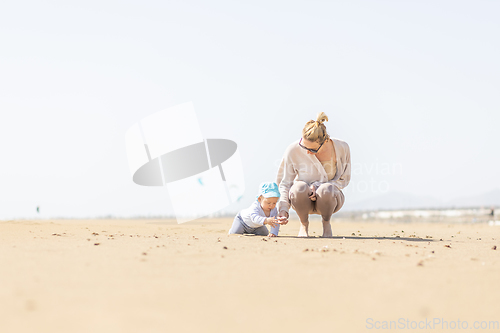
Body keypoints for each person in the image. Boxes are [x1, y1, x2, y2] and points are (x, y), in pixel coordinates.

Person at [275, 112, 351, 237]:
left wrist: (317, 186)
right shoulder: (293, 149)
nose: (308, 152)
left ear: (324, 140)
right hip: (302, 200)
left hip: (330, 199)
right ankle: (303, 225)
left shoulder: (342, 147)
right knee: (298, 187)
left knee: (326, 189)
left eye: (313, 150)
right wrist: (283, 209)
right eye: (304, 148)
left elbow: (344, 179)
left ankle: (326, 224)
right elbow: (285, 183)